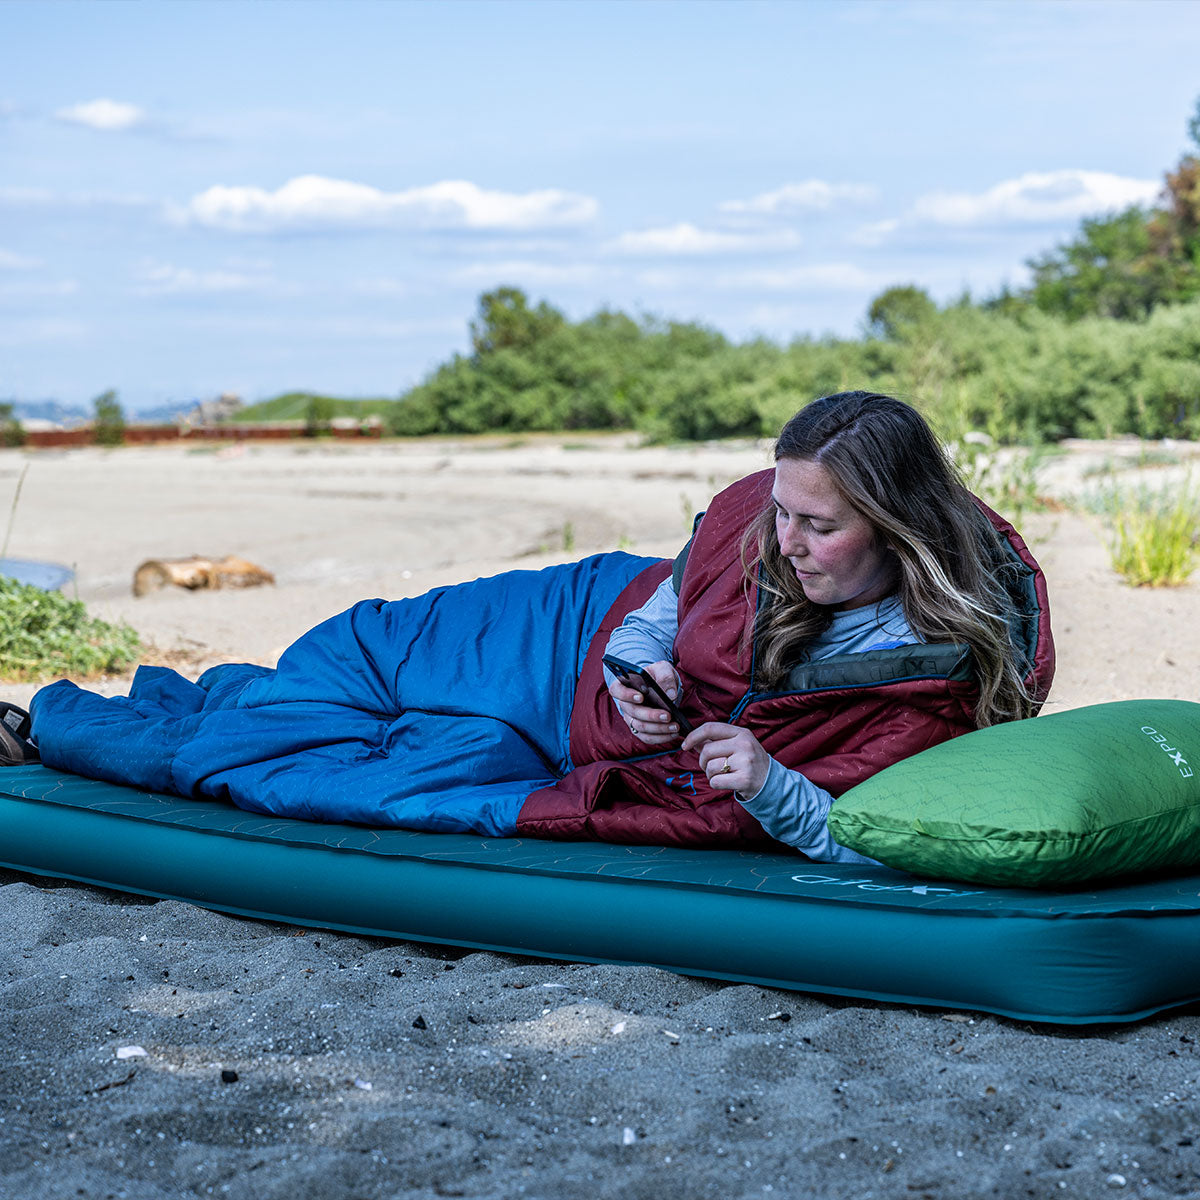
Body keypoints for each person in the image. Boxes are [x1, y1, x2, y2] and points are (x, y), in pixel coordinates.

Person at [601, 390, 1052, 863]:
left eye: (820, 526)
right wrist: (633, 677)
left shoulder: (941, 670)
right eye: (781, 511)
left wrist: (771, 786)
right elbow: (643, 627)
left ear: (897, 528)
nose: (787, 544)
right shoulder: (759, 539)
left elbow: (907, 841)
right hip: (585, 610)